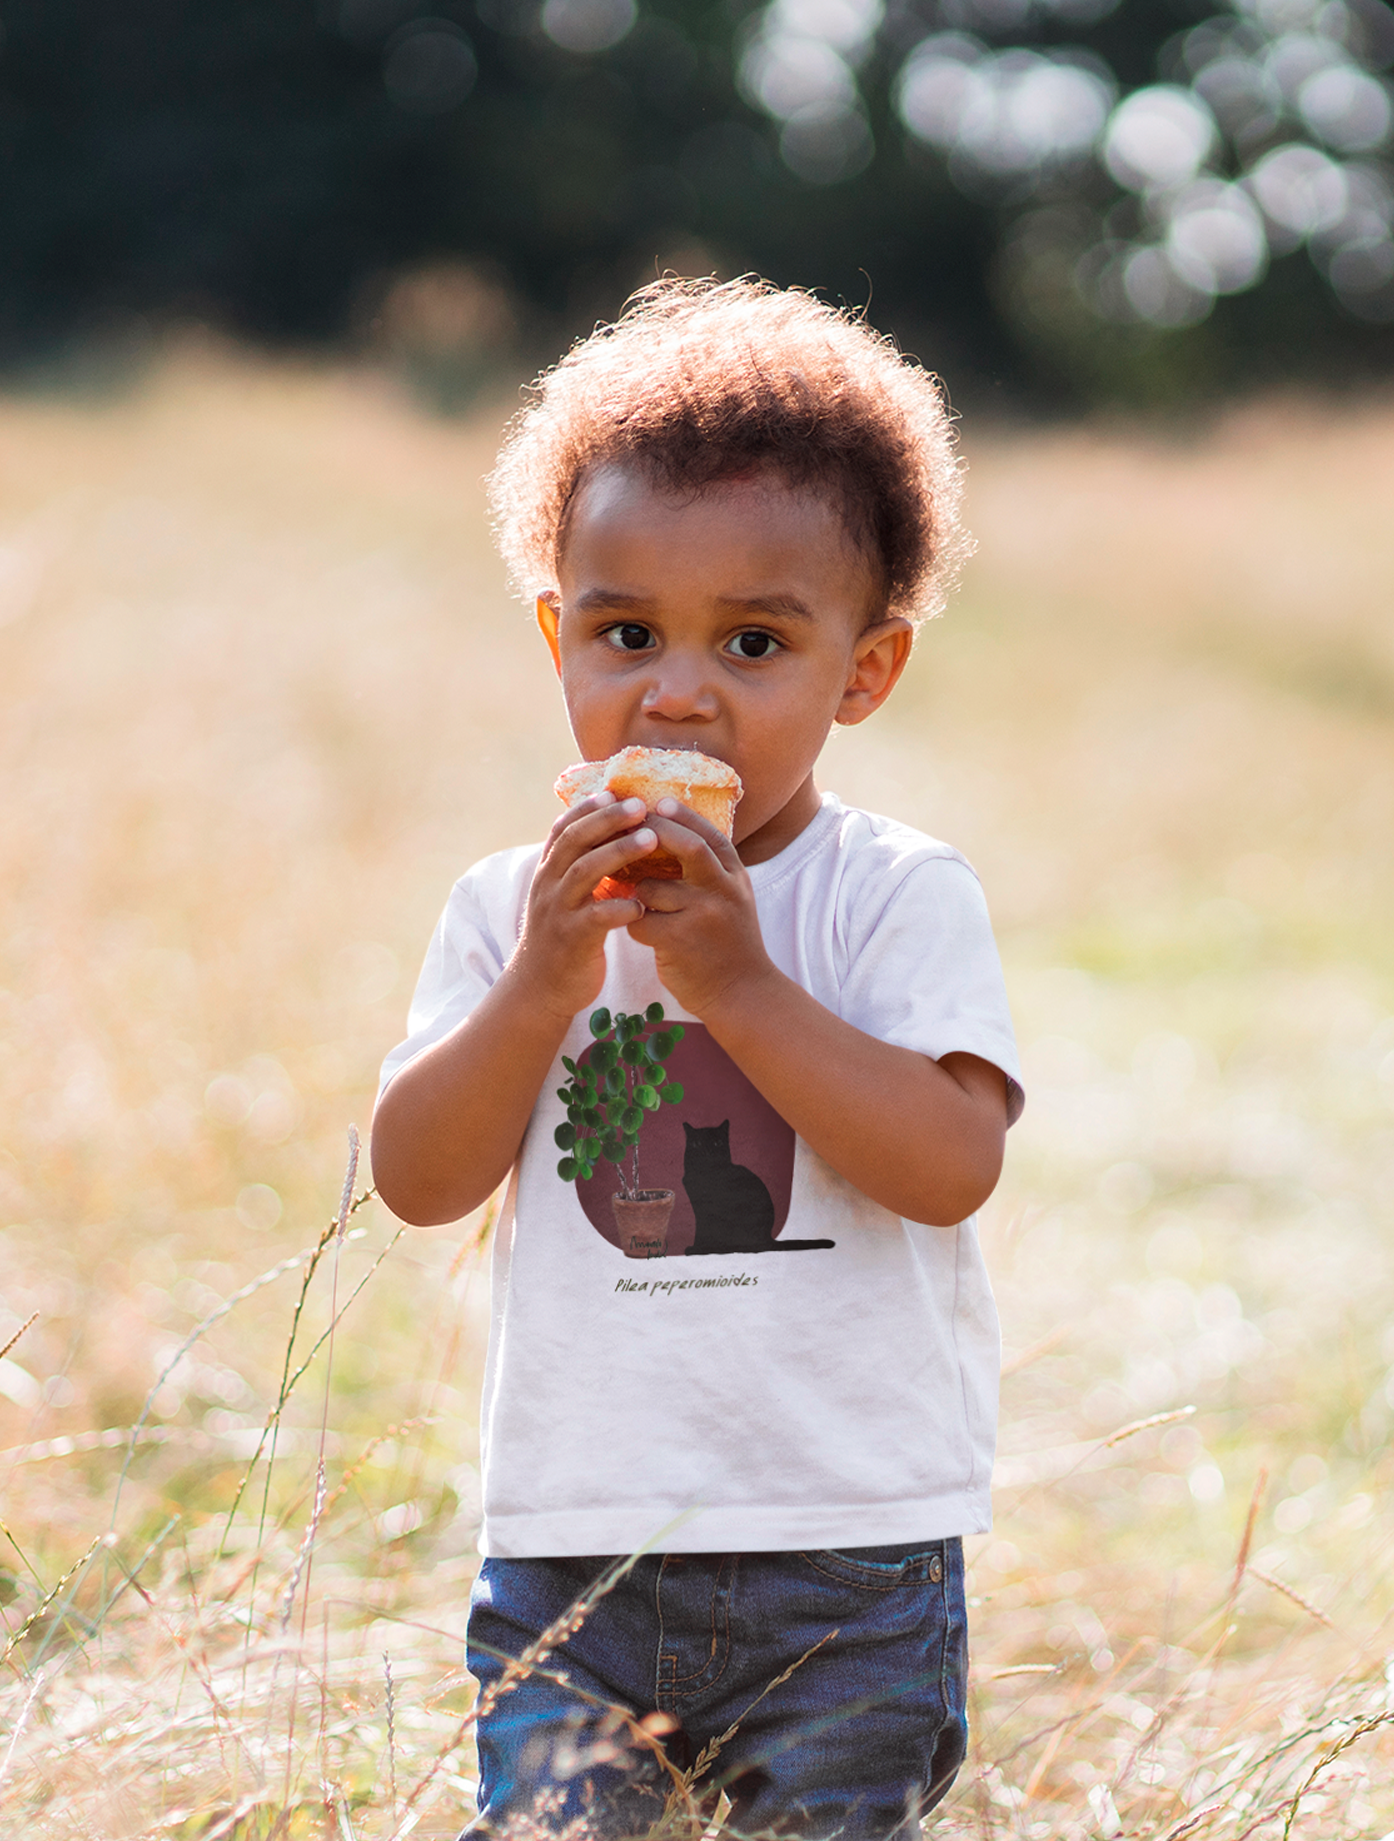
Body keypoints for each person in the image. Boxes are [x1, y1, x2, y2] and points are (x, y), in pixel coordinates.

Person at [371, 276, 1024, 1839]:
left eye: (752, 639)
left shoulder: (892, 896)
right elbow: (415, 1181)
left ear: (862, 671)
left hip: (846, 1551)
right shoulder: (507, 912)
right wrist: (541, 983)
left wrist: (734, 981)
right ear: (557, 638)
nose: (675, 690)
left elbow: (948, 1169)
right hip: (575, 1549)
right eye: (624, 632)